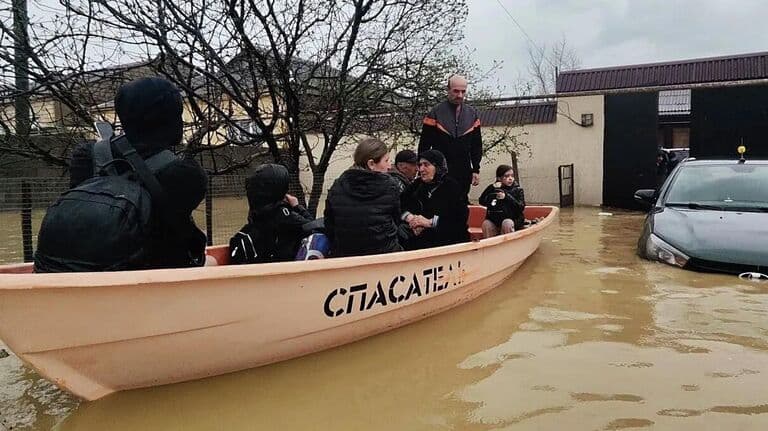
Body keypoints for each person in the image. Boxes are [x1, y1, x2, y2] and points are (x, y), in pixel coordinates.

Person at [36, 77, 207, 271]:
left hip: (72, 273)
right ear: (170, 120)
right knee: (209, 260)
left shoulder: (86, 157)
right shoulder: (186, 173)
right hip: (151, 279)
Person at [324, 137, 403, 257]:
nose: (389, 166)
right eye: (386, 161)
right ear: (371, 164)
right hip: (385, 255)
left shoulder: (338, 185)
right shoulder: (390, 186)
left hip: (346, 256)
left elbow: (330, 224)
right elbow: (396, 220)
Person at [229, 164, 317, 264]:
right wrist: (297, 206)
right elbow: (313, 228)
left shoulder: (256, 215)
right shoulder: (285, 216)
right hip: (287, 270)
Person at [418, 74, 482, 201]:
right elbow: (424, 145)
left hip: (463, 171)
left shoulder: (472, 114)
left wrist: (476, 169)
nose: (460, 95)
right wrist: (422, 168)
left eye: (463, 91)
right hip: (441, 170)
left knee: (461, 203)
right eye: (456, 91)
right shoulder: (435, 113)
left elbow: (476, 145)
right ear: (448, 90)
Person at [401, 149, 469, 249]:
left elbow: (459, 219)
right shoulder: (416, 186)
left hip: (449, 242)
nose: (421, 169)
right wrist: (411, 219)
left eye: (426, 165)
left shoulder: (452, 187)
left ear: (438, 167)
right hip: (419, 238)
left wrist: (429, 222)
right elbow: (400, 204)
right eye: (420, 165)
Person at [478, 164, 526, 238]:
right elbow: (482, 201)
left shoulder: (518, 190)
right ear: (499, 178)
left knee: (507, 223)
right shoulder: (493, 189)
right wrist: (491, 188)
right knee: (486, 224)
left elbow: (521, 207)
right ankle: (491, 244)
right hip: (495, 219)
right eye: (506, 176)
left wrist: (506, 197)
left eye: (512, 176)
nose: (510, 178)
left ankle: (509, 243)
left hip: (513, 219)